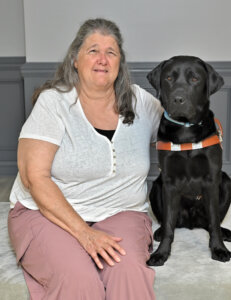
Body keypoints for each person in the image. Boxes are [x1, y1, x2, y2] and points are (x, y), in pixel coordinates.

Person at [8, 18, 162, 300]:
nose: (102, 59)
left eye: (111, 52)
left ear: (120, 63)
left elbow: (182, 125)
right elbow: (34, 177)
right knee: (80, 282)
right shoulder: (53, 103)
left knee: (129, 274)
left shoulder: (140, 102)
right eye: (93, 50)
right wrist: (84, 233)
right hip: (46, 214)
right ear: (75, 60)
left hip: (121, 211)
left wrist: (209, 127)